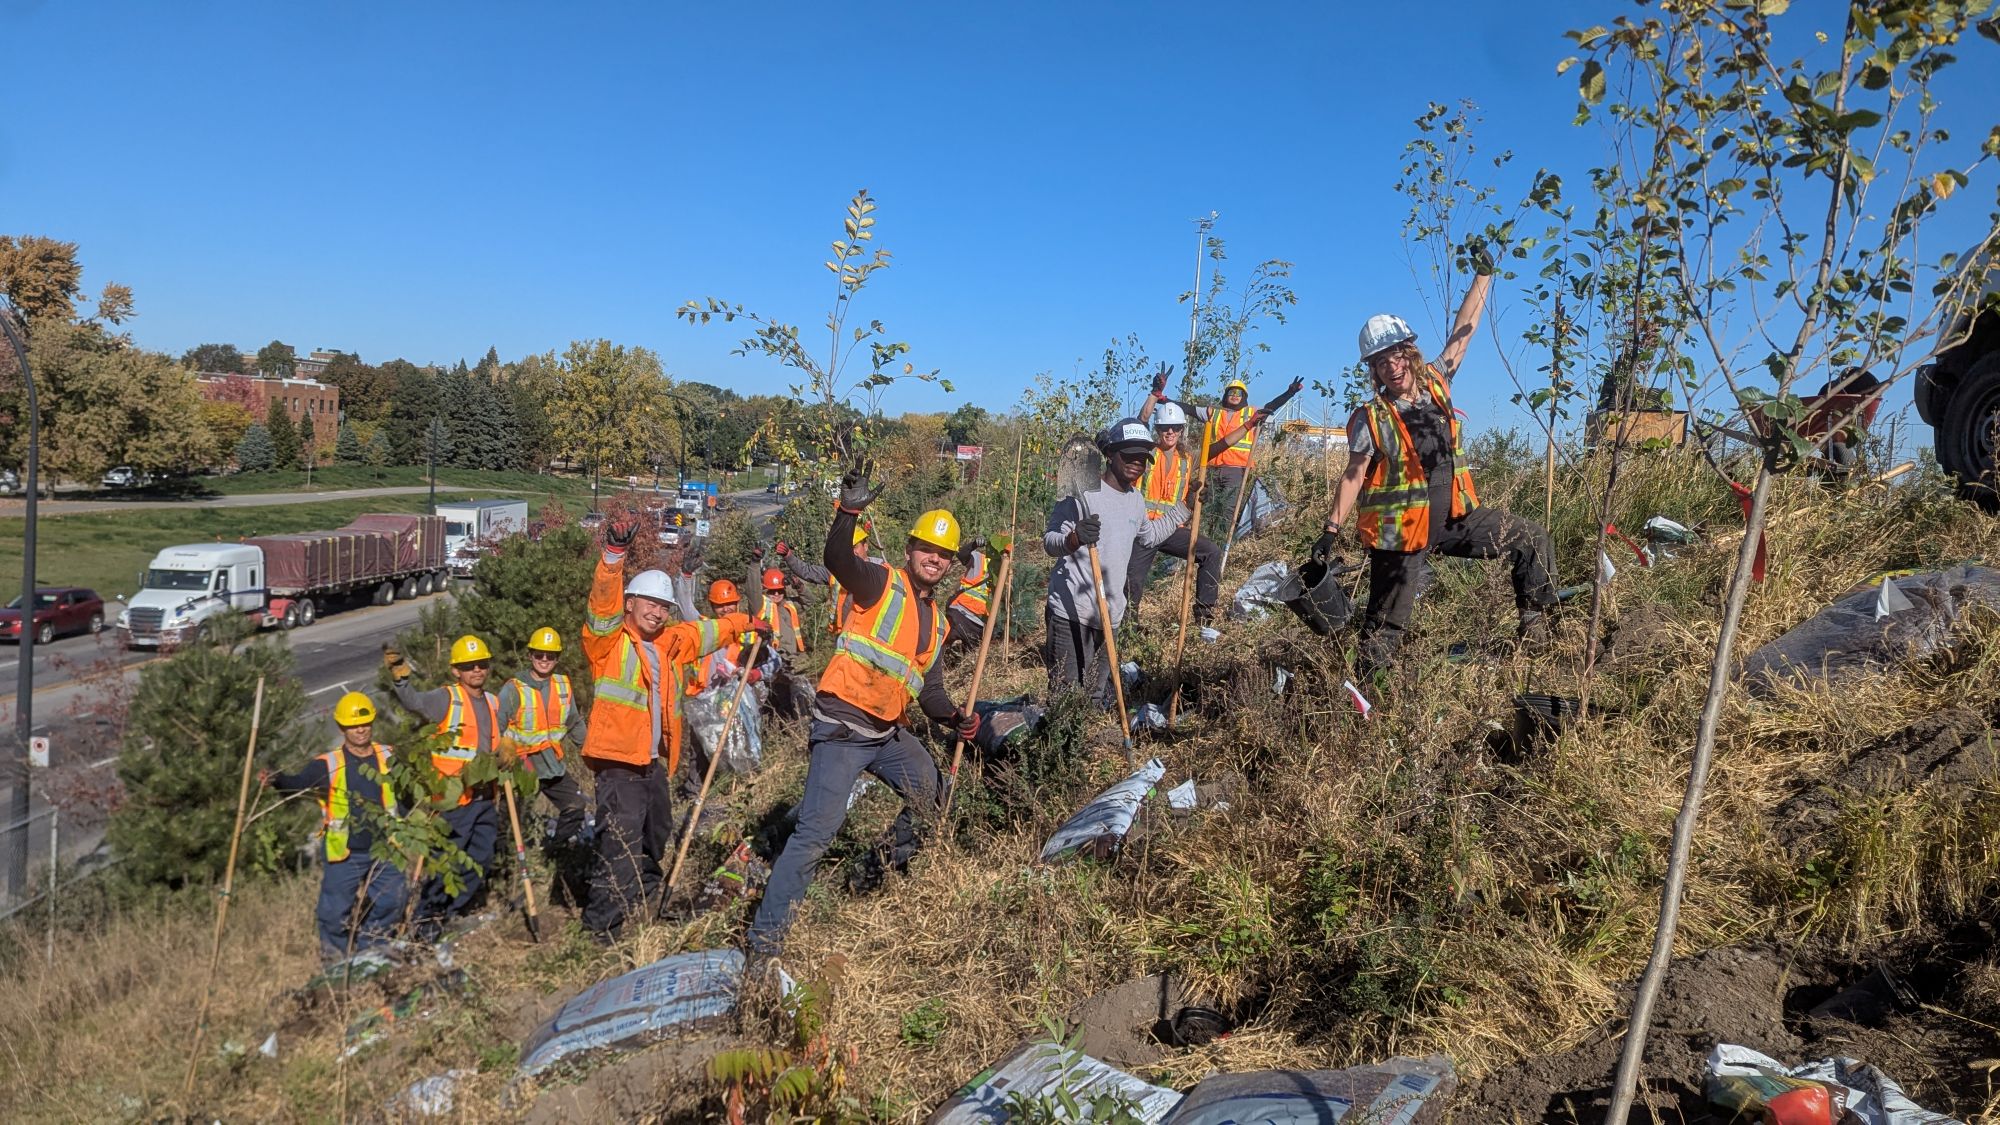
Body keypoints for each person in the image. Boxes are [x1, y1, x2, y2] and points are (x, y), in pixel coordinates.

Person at [746, 479, 980, 957]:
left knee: (934, 794)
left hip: (886, 734)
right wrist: (846, 512)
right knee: (816, 833)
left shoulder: (936, 623)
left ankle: (876, 871)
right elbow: (837, 561)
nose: (934, 559)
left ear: (949, 563)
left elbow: (930, 692)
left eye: (943, 554)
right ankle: (763, 947)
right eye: (927, 549)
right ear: (911, 548)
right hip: (843, 728)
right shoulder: (881, 582)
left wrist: (956, 718)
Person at [1316, 273, 1559, 682]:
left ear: (1409, 354)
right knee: (1386, 624)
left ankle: (1535, 635)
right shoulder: (1369, 417)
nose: (1391, 368)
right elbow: (1354, 473)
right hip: (1403, 534)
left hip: (1453, 520)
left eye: (1396, 357)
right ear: (1374, 371)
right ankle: (1361, 699)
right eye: (1381, 363)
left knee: (1531, 538)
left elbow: (1465, 331)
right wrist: (1330, 528)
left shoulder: (1437, 383)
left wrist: (1484, 274)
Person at [579, 519, 766, 943]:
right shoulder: (607, 641)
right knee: (620, 842)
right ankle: (601, 927)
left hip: (650, 761)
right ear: (630, 603)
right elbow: (600, 604)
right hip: (616, 761)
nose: (658, 611)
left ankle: (643, 893)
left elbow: (706, 631)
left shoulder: (667, 642)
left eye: (663, 606)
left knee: (657, 829)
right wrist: (613, 556)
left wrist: (746, 625)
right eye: (649, 603)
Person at [1044, 419, 1200, 704]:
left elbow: (1149, 537)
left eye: (1142, 458)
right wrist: (1073, 539)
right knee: (1064, 699)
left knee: (1094, 696)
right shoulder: (1081, 493)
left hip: (1110, 615)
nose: (1137, 463)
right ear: (1111, 455)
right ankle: (1060, 748)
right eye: (1129, 456)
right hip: (1071, 612)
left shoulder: (1136, 501)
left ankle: (1086, 746)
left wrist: (1184, 507)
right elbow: (1049, 541)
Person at [263, 691, 407, 960]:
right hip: (346, 852)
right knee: (334, 912)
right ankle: (335, 959)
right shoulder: (327, 765)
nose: (361, 729)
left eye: (364, 723)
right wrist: (276, 779)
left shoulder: (389, 755)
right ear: (342, 728)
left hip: (386, 847)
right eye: (353, 726)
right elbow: (296, 785)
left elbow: (406, 794)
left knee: (393, 899)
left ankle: (372, 948)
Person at [387, 634, 502, 919]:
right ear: (456, 670)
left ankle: (450, 913)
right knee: (446, 863)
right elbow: (413, 702)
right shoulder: (446, 699)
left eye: (481, 664)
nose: (476, 670)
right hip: (452, 801)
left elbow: (498, 742)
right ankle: (426, 920)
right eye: (469, 666)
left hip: (485, 796)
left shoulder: (493, 702)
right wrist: (401, 678)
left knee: (481, 858)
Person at [1139, 364, 1302, 542]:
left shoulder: (1251, 413)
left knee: (1227, 509)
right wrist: (1163, 399)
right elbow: (1186, 409)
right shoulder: (1213, 412)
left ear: (1244, 397)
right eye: (1231, 392)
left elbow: (1271, 406)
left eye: (1238, 393)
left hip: (1236, 469)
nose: (1234, 396)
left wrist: (1289, 393)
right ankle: (1205, 538)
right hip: (1211, 467)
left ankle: (1221, 541)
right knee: (1207, 507)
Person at [1123, 399, 1222, 624]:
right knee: (1133, 581)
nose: (1170, 431)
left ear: (1181, 430)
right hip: (1143, 529)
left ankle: (1204, 616)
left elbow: (1218, 448)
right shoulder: (1146, 452)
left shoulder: (1187, 459)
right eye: (1164, 427)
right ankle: (1128, 628)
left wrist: (1249, 426)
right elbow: (1141, 421)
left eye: (1175, 427)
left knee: (1211, 552)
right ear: (1157, 429)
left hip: (1171, 528)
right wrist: (1153, 395)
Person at [496, 627, 589, 846]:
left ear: (557, 658)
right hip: (521, 767)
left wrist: (591, 753)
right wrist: (501, 749)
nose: (544, 660)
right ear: (530, 655)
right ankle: (504, 869)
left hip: (551, 766)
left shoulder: (563, 685)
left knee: (576, 805)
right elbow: (496, 728)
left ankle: (554, 852)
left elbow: (574, 721)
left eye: (550, 655)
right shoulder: (513, 689)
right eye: (539, 654)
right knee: (509, 823)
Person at [776, 522, 876, 634]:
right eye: (848, 550)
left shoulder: (880, 569)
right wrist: (789, 556)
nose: (852, 553)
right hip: (844, 633)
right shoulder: (837, 571)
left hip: (870, 634)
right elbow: (808, 572)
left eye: (855, 547)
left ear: (865, 547)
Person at [945, 535, 1011, 651]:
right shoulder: (980, 560)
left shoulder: (1008, 575)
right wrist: (974, 544)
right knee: (944, 646)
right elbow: (961, 554)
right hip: (960, 613)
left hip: (980, 625)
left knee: (963, 657)